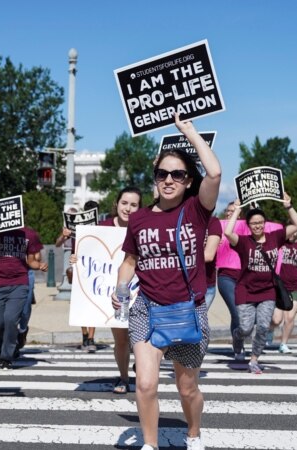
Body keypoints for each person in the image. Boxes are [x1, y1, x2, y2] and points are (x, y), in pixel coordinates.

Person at [114, 114, 221, 450]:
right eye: (162, 174)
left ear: (189, 181)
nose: (169, 180)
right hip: (147, 308)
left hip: (188, 309)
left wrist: (187, 131)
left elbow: (215, 173)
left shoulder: (196, 209)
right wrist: (120, 290)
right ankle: (150, 445)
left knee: (187, 387)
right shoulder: (140, 218)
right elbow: (129, 261)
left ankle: (193, 432)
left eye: (178, 174)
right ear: (155, 179)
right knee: (145, 384)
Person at [224, 196, 297, 373]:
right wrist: (237, 209)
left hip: (268, 291)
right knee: (245, 328)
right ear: (249, 225)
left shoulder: (275, 237)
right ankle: (237, 337)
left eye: (260, 222)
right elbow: (228, 233)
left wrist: (288, 206)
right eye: (253, 223)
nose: (257, 226)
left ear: (264, 223)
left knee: (263, 327)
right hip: (245, 290)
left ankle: (254, 360)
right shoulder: (244, 242)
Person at [0, 226, 47, 369]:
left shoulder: (29, 234)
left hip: (19, 284)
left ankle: (6, 357)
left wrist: (39, 265)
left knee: (10, 319)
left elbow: (31, 260)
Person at [96, 186, 142, 394]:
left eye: (134, 205)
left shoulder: (144, 226)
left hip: (142, 291)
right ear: (117, 204)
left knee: (142, 339)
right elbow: (90, 258)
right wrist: (75, 260)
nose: (128, 208)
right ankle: (123, 377)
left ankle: (142, 365)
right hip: (112, 292)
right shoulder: (102, 227)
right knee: (121, 339)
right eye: (125, 203)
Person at [16, 225, 44, 358]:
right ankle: (12, 342)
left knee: (25, 308)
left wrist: (34, 259)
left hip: (26, 273)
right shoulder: (1, 232)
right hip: (6, 275)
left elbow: (37, 257)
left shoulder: (30, 234)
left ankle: (22, 330)